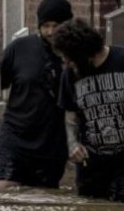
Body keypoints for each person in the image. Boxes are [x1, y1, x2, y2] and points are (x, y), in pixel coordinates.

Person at [0, 0, 72, 191]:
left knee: (43, 197)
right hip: (15, 137)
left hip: (51, 142)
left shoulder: (74, 56)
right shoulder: (19, 48)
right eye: (45, 25)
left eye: (56, 25)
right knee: (4, 188)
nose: (50, 31)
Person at [54, 18, 124, 202]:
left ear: (84, 53)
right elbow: (70, 114)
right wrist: (72, 145)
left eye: (70, 59)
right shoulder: (70, 74)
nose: (68, 64)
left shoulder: (121, 60)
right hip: (91, 164)